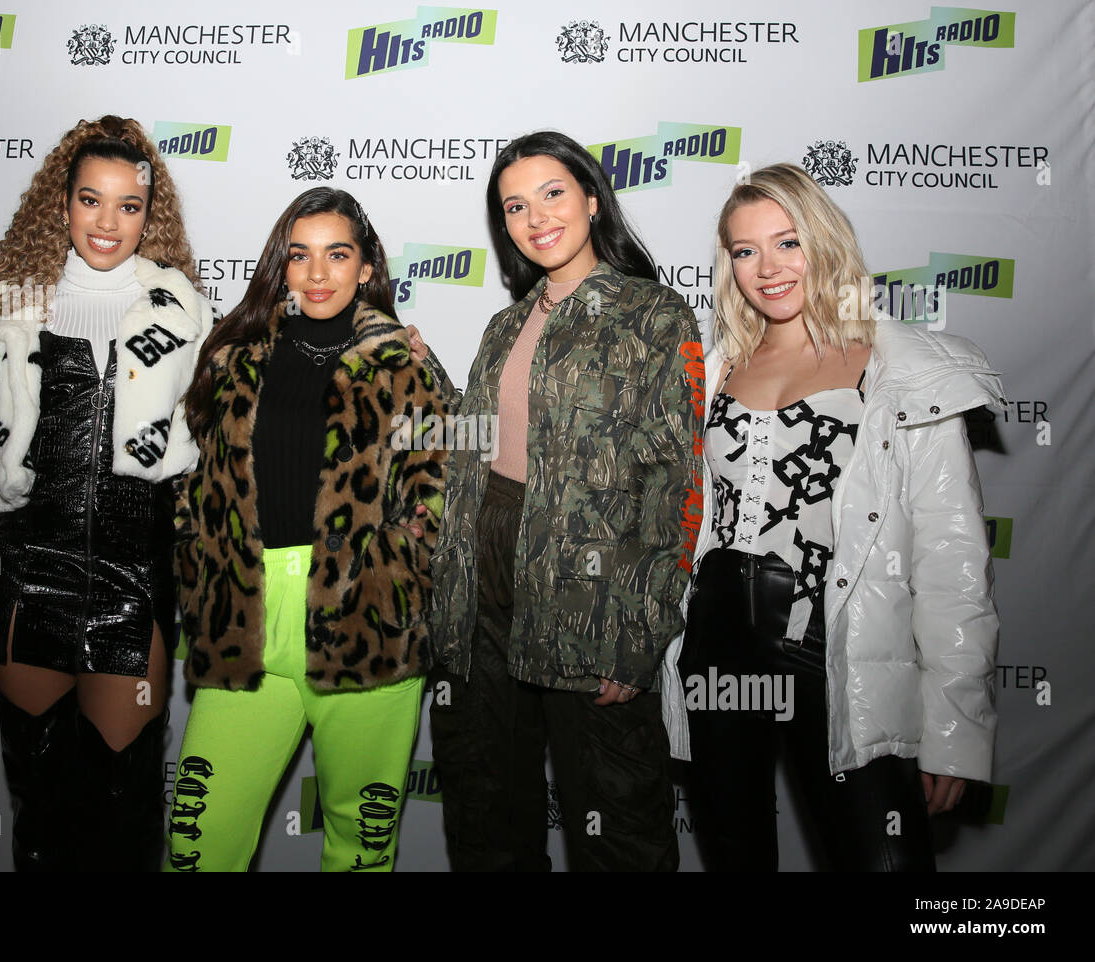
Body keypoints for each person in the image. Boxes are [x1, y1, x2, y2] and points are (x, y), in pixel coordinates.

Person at [660, 163, 1003, 871]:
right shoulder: (716, 365)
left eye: (787, 242)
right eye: (744, 250)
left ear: (824, 241)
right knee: (735, 854)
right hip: (719, 644)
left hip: (841, 648)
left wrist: (953, 728)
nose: (767, 267)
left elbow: (951, 563)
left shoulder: (904, 371)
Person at [0, 115, 215, 871]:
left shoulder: (185, 314)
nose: (108, 222)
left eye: (129, 205)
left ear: (150, 214)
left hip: (132, 578)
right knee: (42, 815)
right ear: (62, 204)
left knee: (125, 809)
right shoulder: (4, 312)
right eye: (90, 200)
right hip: (27, 576)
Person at [424, 130, 704, 871]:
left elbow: (674, 484)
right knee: (488, 814)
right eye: (514, 205)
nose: (535, 216)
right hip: (482, 574)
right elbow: (486, 438)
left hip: (590, 590)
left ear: (589, 199)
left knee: (616, 826)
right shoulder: (504, 325)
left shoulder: (655, 315)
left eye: (551, 194)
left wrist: (639, 633)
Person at [170, 187, 450, 872]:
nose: (318, 274)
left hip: (366, 624)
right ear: (280, 267)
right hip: (246, 619)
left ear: (366, 267)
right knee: (196, 840)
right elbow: (192, 487)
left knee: (361, 851)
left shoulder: (403, 365)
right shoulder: (231, 360)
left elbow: (439, 490)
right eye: (300, 256)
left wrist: (393, 578)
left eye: (337, 255)